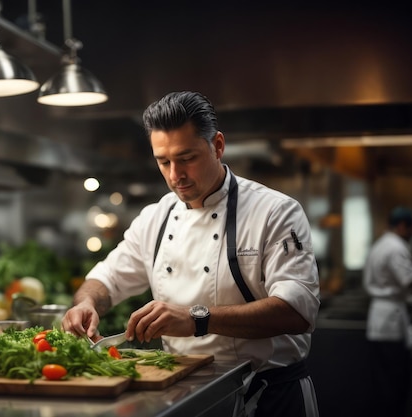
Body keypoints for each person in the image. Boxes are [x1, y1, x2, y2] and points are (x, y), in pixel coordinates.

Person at [62, 91, 321, 417]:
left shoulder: (275, 212)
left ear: (218, 146)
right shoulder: (154, 218)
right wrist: (86, 303)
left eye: (187, 158)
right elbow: (105, 279)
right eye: (163, 161)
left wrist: (197, 319)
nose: (175, 175)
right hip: (188, 396)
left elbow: (298, 311)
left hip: (271, 397)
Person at [363, 206, 412, 417]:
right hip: (388, 323)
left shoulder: (381, 244)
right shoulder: (395, 247)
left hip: (382, 319)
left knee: (385, 383)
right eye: (411, 229)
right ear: (402, 226)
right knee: (393, 383)